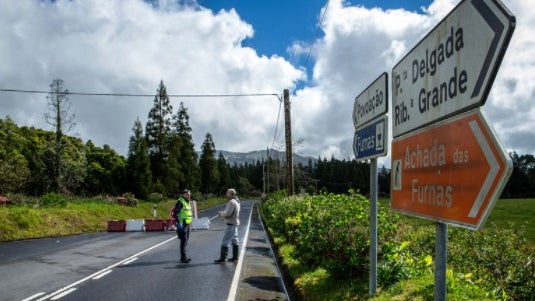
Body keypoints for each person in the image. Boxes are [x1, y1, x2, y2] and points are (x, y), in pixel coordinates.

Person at [214, 188, 241, 263]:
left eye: (228, 193)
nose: (226, 194)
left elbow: (228, 214)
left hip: (231, 224)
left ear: (231, 194)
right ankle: (235, 257)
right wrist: (224, 212)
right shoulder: (236, 201)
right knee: (235, 240)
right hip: (235, 223)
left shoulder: (231, 202)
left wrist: (221, 213)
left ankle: (222, 259)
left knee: (225, 241)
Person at [173, 189, 193, 263]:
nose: (189, 195)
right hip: (183, 224)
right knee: (183, 240)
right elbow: (175, 213)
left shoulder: (187, 202)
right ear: (183, 194)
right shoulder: (180, 202)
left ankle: (183, 256)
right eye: (187, 194)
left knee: (186, 239)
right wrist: (178, 223)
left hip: (187, 223)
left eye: (189, 194)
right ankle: (183, 258)